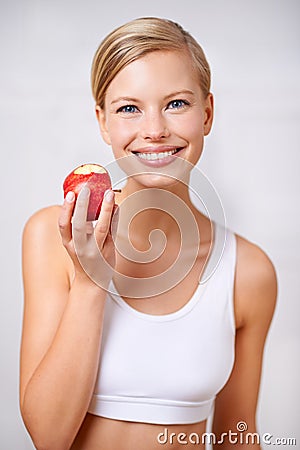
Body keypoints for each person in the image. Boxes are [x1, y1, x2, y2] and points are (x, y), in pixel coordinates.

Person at [20, 17, 277, 450]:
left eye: (177, 103)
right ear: (103, 122)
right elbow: (48, 436)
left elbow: (238, 434)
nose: (155, 129)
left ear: (207, 113)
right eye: (128, 108)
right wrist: (91, 282)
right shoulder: (52, 236)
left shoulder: (248, 271)